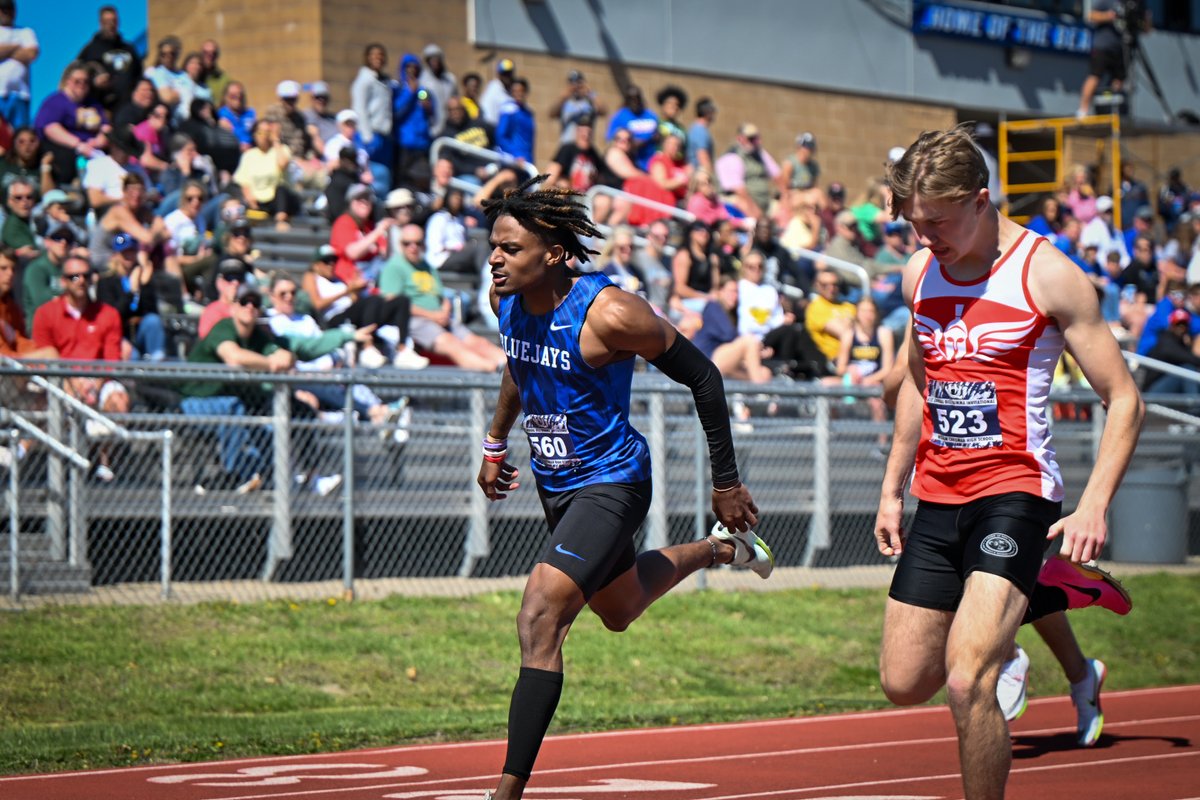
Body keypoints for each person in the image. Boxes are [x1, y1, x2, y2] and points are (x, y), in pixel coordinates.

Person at [475, 176, 771, 800]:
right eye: (492, 247)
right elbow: (517, 365)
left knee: (541, 614)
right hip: (556, 486)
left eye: (509, 249)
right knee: (619, 607)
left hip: (612, 482)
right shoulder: (505, 299)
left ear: (553, 255)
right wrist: (496, 441)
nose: (494, 260)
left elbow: (705, 377)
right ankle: (723, 551)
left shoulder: (611, 312)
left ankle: (506, 791)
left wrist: (725, 482)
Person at [874, 126, 1143, 800]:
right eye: (915, 224)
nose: (924, 238)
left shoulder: (1047, 274)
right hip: (939, 494)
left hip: (1016, 491)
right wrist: (891, 488)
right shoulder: (919, 272)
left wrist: (1094, 504)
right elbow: (917, 381)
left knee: (969, 679)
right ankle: (1049, 585)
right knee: (904, 681)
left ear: (980, 200)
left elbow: (1124, 399)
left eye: (936, 222)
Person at [32, 254, 130, 481]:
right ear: (64, 281)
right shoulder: (46, 313)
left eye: (86, 275)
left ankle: (104, 461)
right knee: (53, 396)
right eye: (74, 276)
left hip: (97, 379)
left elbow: (112, 360)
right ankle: (60, 466)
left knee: (118, 400)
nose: (81, 281)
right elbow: (44, 358)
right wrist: (71, 384)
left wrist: (93, 385)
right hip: (58, 380)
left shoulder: (108, 314)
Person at [382, 223, 505, 371]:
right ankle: (494, 374)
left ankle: (512, 369)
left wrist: (444, 311)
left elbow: (441, 295)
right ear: (400, 245)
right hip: (414, 321)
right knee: (452, 344)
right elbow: (392, 302)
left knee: (478, 342)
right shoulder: (394, 267)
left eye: (418, 243)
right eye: (407, 243)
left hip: (441, 318)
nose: (413, 247)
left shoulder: (426, 265)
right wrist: (432, 316)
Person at [1076, 0, 1149, 119]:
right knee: (1094, 76)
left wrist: (1145, 17)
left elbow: (1146, 29)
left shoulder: (1137, 4)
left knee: (1119, 80)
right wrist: (1109, 16)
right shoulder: (1108, 1)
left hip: (1124, 47)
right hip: (1104, 46)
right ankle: (1082, 112)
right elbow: (1091, 15)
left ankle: (1113, 110)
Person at [351, 43, 395, 185]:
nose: (378, 58)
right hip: (370, 135)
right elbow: (359, 108)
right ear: (367, 58)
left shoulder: (385, 81)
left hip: (384, 135)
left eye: (381, 55)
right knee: (370, 176)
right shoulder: (363, 80)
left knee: (384, 175)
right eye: (374, 55)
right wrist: (367, 136)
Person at [0, 0, 38, 130]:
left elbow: (31, 54)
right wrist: (17, 47)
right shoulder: (21, 38)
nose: (6, 13)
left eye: (9, 9)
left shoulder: (26, 32)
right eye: (3, 9)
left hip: (20, 94)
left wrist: (5, 51)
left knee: (20, 135)